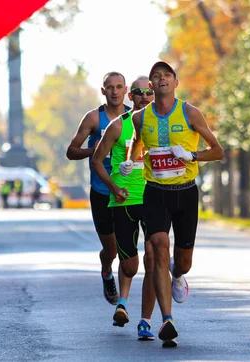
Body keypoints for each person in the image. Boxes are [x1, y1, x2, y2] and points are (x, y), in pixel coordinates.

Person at [122, 61, 224, 347]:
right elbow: (136, 140)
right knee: (157, 245)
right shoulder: (141, 118)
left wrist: (192, 156)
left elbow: (217, 151)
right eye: (156, 76)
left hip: (186, 192)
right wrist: (131, 160)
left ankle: (178, 275)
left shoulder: (190, 112)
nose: (161, 79)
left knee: (183, 262)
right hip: (155, 191)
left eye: (166, 75)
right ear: (151, 86)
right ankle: (167, 320)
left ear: (175, 82)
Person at [92, 76, 156, 340]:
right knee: (129, 265)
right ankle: (122, 301)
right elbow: (96, 160)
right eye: (139, 92)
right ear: (133, 97)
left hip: (154, 198)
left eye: (148, 91)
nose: (144, 96)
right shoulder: (118, 126)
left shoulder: (162, 125)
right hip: (123, 200)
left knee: (154, 259)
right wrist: (113, 187)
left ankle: (146, 321)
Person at [66, 71, 130, 305]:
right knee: (111, 250)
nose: (114, 91)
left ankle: (123, 301)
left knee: (127, 248)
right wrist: (96, 150)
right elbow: (71, 151)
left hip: (127, 191)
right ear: (103, 91)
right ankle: (106, 271)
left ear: (126, 90)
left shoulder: (134, 118)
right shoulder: (94, 118)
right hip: (102, 191)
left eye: (119, 87)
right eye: (109, 87)